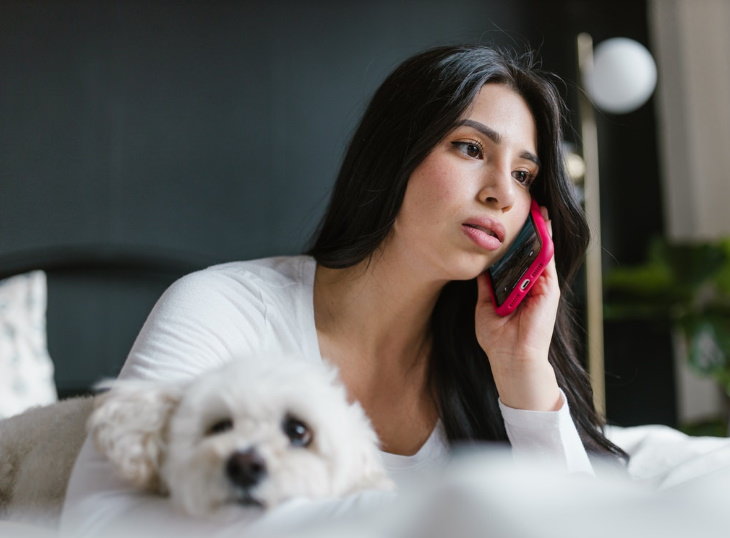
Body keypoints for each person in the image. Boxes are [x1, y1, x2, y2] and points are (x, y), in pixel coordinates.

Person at [61, 44, 626, 536]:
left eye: (525, 175)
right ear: (396, 153)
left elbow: (579, 526)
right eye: (471, 149)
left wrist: (523, 368)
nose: (503, 193)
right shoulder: (222, 307)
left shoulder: (488, 368)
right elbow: (99, 523)